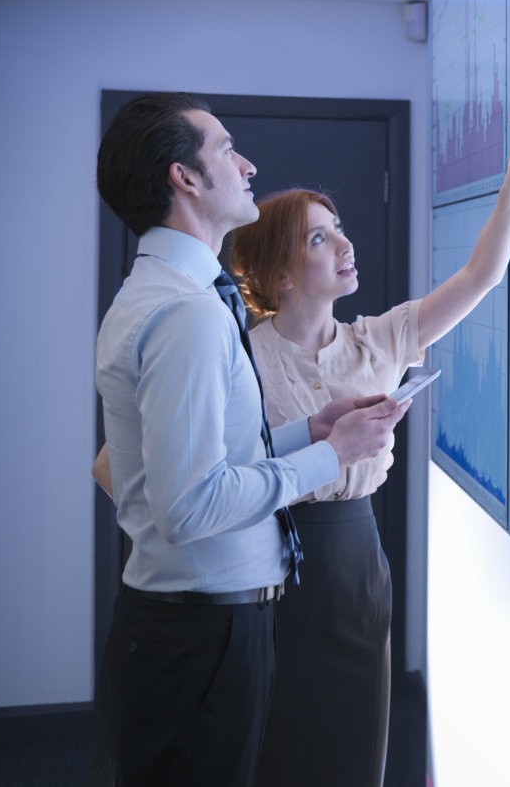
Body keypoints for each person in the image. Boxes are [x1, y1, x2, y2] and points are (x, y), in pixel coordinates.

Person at [93, 92, 410, 787]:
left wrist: (309, 430)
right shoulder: (188, 313)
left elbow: (199, 464)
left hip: (189, 629)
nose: (247, 163)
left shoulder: (166, 295)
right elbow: (190, 504)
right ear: (185, 178)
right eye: (226, 148)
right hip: (201, 637)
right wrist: (331, 455)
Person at [227, 95, 510, 787]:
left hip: (357, 564)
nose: (345, 245)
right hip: (268, 566)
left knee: (353, 746)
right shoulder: (242, 355)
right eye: (318, 238)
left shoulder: (381, 337)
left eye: (339, 230)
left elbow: (481, 275)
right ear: (281, 274)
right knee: (278, 747)